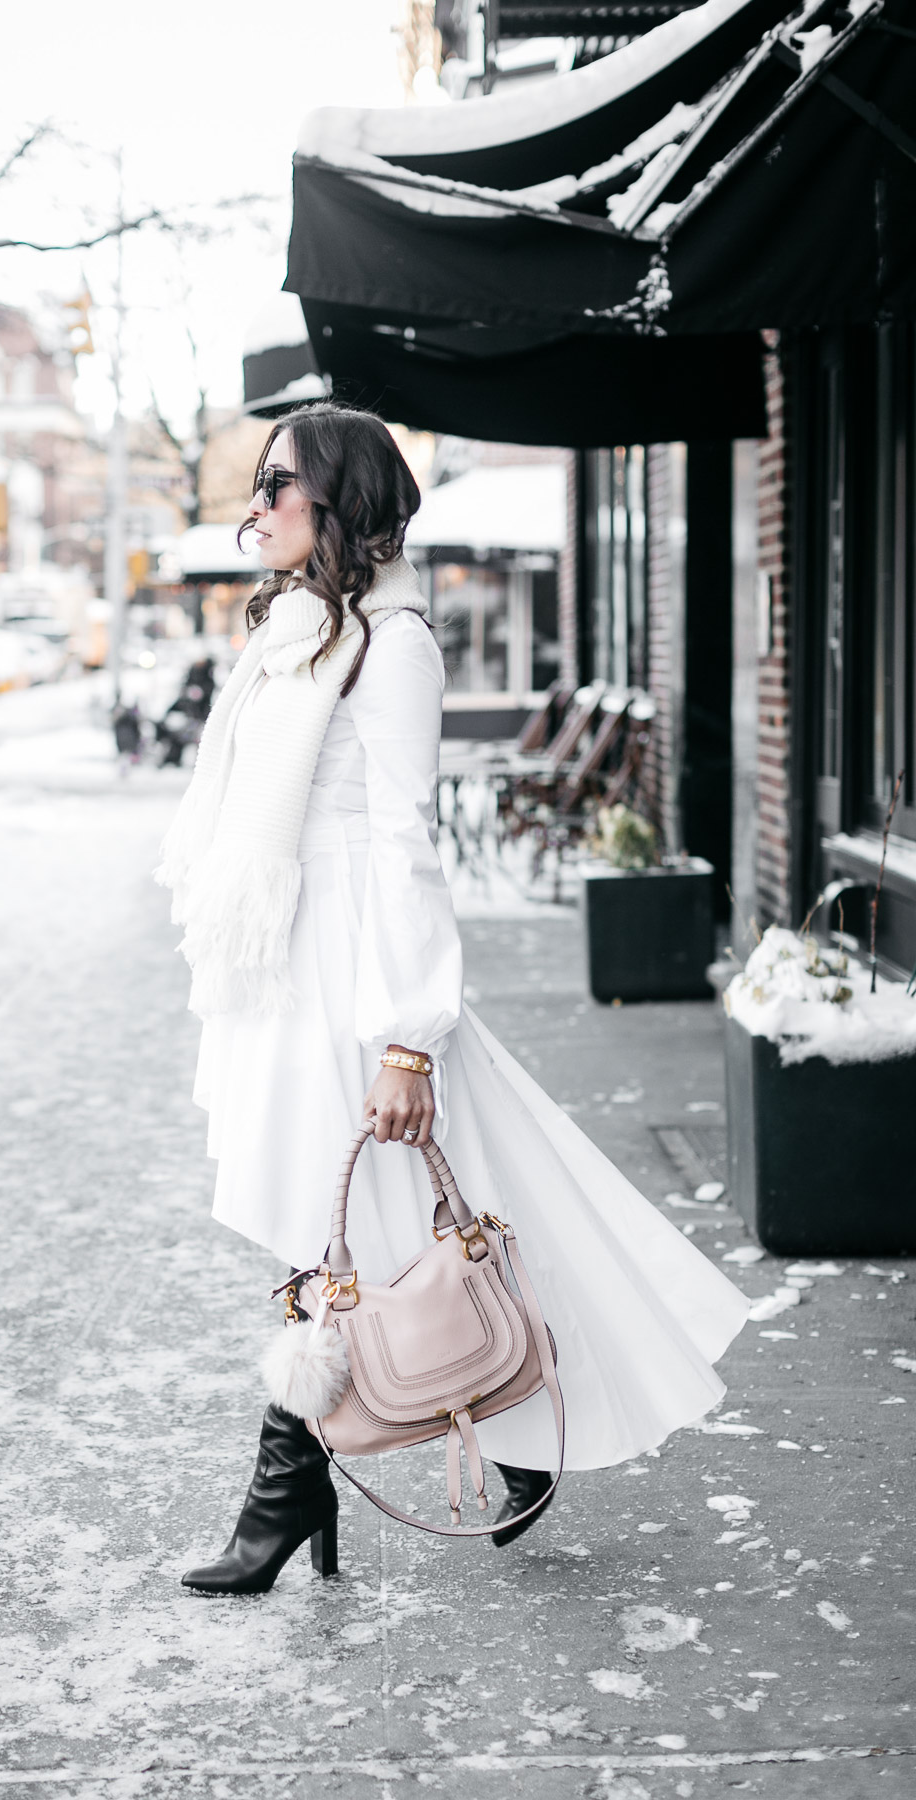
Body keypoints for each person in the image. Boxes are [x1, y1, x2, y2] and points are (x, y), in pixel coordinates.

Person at [157, 403, 749, 1597]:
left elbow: (403, 844)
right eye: (259, 483)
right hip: (287, 965)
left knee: (361, 1224)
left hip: (355, 971)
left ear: (342, 501)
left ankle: (298, 1491)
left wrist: (408, 1038)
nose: (259, 505)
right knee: (341, 1224)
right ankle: (405, 1457)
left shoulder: (394, 644)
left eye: (280, 484)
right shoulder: (296, 630)